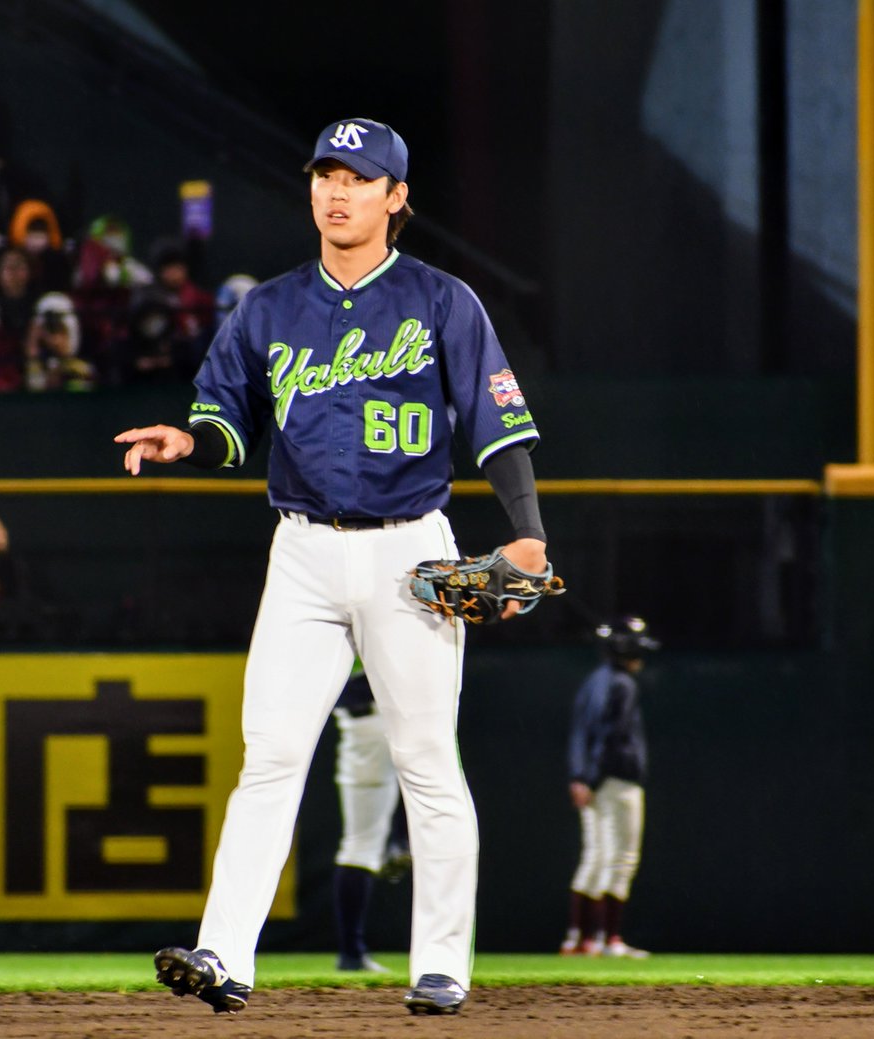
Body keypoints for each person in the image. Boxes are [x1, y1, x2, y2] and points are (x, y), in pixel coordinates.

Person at [116, 117, 549, 1017]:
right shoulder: (269, 307)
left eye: (357, 176)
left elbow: (498, 426)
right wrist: (185, 441)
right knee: (270, 756)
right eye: (324, 173)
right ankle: (223, 954)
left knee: (427, 760)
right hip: (304, 550)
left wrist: (528, 531)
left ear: (397, 198)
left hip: (411, 547)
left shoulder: (443, 300)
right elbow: (225, 415)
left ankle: (440, 964)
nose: (335, 190)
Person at [561, 615, 660, 960]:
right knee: (621, 858)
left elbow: (580, 733)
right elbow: (609, 735)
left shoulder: (594, 681)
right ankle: (608, 938)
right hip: (615, 779)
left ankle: (579, 938)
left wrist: (580, 776)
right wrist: (591, 776)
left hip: (592, 779)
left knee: (595, 855)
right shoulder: (621, 684)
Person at [331, 665, 410, 973]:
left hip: (363, 719)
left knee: (359, 845)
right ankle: (403, 840)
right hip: (396, 709)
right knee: (438, 810)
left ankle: (351, 953)